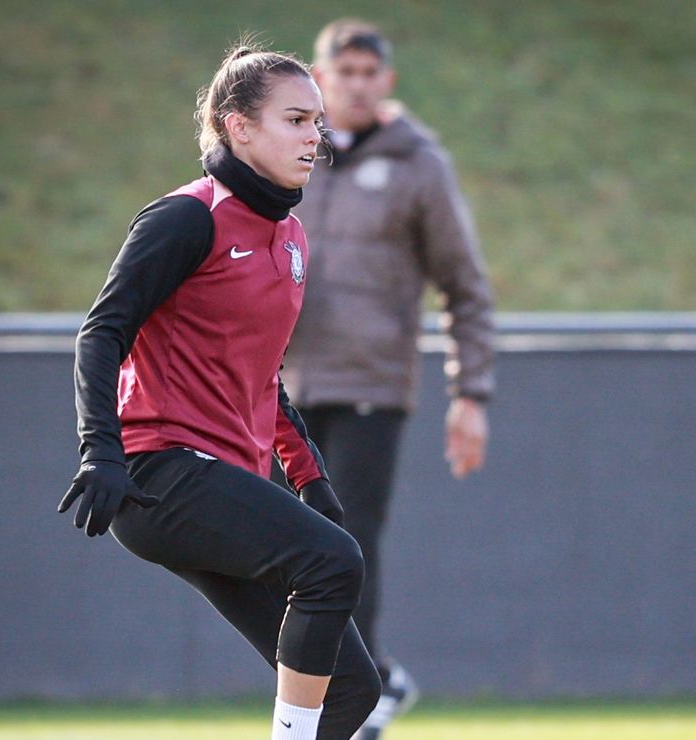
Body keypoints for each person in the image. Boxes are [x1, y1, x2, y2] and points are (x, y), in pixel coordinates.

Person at [57, 43, 381, 740]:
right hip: (159, 472)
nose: (314, 137)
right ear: (238, 126)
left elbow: (264, 375)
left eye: (317, 123)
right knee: (332, 563)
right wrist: (100, 453)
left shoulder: (290, 235)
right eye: (296, 119)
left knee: (353, 691)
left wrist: (309, 477)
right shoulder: (185, 218)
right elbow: (100, 334)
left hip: (225, 472)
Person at [280, 19, 496, 740]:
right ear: (319, 76)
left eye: (371, 72)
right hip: (283, 390)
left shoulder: (418, 165)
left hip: (372, 386)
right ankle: (372, 676)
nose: (358, 84)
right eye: (345, 72)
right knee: (279, 551)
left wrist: (471, 394)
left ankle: (354, 707)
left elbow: (464, 285)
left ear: (388, 82)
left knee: (347, 545)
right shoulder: (290, 153)